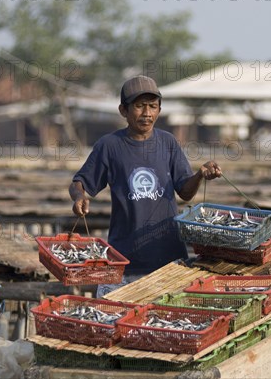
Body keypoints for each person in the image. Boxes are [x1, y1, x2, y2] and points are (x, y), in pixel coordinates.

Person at [69, 75, 221, 297]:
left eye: (153, 106)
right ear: (124, 110)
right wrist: (78, 198)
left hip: (169, 261)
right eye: (139, 107)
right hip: (124, 263)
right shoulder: (110, 146)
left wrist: (199, 175)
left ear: (159, 109)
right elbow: (79, 183)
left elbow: (185, 193)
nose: (147, 113)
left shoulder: (168, 142)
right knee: (117, 323)